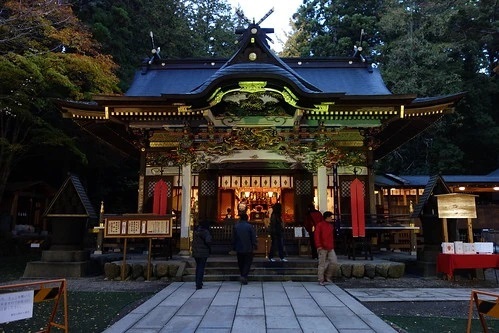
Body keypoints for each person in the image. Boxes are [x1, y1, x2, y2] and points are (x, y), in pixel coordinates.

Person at [232, 213, 257, 285]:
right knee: (247, 262)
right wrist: (254, 244)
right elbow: (253, 237)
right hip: (248, 247)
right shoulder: (249, 226)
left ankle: (242, 274)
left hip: (239, 247)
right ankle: (244, 275)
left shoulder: (236, 226)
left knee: (240, 262)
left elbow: (234, 238)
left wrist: (233, 246)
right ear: (247, 218)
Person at [314, 211, 338, 285]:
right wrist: (318, 246)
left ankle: (328, 276)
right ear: (327, 217)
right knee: (322, 263)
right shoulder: (320, 225)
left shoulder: (331, 226)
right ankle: (321, 279)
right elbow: (317, 236)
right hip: (322, 247)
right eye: (330, 217)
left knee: (334, 262)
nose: (331, 218)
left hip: (330, 247)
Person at [191, 220, 212, 290]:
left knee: (198, 267)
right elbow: (208, 241)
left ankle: (197, 281)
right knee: (201, 267)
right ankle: (199, 283)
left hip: (196, 251)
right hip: (203, 252)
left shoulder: (196, 231)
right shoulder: (205, 232)